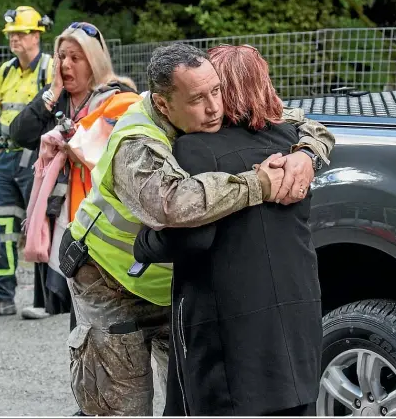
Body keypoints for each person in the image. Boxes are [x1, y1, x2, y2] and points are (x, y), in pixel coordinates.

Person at [59, 42, 334, 416]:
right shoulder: (137, 141)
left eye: (216, 91)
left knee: (187, 399)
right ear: (162, 105)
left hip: (163, 284)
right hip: (109, 280)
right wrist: (257, 184)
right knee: (121, 408)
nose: (214, 108)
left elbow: (301, 122)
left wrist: (306, 153)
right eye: (197, 99)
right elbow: (173, 205)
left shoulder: (206, 113)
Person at [132, 44, 322, 416]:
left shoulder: (195, 149)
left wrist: (145, 243)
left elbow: (193, 237)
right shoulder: (293, 144)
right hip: (299, 316)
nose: (213, 106)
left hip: (230, 334)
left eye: (216, 91)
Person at [10, 21, 138, 321]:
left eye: (75, 58)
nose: (65, 65)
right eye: (61, 57)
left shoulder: (117, 97)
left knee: (99, 315)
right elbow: (20, 133)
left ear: (94, 62)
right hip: (63, 220)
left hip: (102, 221)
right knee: (77, 321)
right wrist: (52, 91)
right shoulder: (57, 100)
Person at [0, 6, 54, 318]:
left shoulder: (50, 68)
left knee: (41, 227)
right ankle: (0, 297)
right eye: (12, 34)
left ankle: (47, 301)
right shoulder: (5, 70)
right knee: (1, 227)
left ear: (36, 35)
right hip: (6, 159)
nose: (14, 38)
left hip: (36, 159)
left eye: (20, 33)